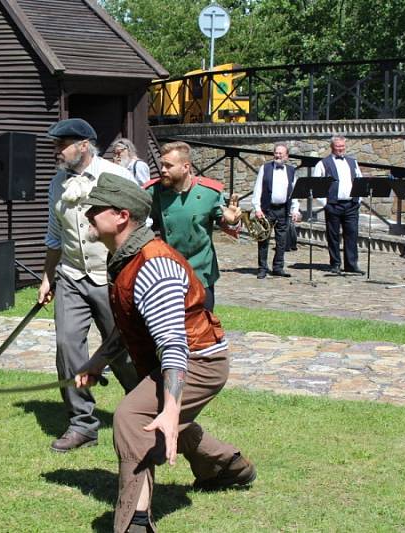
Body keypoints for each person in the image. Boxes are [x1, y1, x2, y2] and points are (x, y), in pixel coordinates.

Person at [77, 173, 255, 533]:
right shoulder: (128, 257)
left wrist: (171, 409)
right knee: (158, 420)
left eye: (96, 209)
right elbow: (131, 322)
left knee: (132, 417)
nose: (88, 216)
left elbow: (175, 344)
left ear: (122, 216)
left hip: (199, 362)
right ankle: (229, 467)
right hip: (181, 358)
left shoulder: (153, 266)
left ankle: (135, 522)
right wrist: (98, 360)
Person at [38, 118, 140, 453]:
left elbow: (142, 224)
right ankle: (82, 424)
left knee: (123, 351)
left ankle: (145, 410)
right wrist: (48, 276)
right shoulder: (57, 183)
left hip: (110, 275)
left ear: (84, 145)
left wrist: (130, 273)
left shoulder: (116, 176)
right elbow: (55, 235)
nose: (56, 150)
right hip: (71, 275)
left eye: (62, 144)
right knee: (67, 346)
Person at [146, 141, 241, 310]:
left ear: (185, 167)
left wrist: (233, 220)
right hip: (169, 271)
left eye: (168, 166)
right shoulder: (154, 192)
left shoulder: (208, 192)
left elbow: (226, 222)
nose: (163, 170)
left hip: (201, 272)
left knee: (203, 330)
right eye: (162, 165)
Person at [313, 136, 364, 275]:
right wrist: (326, 204)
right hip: (333, 205)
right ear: (332, 147)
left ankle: (351, 265)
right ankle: (335, 264)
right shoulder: (323, 164)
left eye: (342, 146)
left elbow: (360, 180)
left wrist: (358, 200)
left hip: (351, 205)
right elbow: (316, 188)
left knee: (352, 235)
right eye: (338, 146)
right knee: (333, 236)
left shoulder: (352, 162)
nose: (341, 149)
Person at [250, 142, 301, 278]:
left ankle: (278, 267)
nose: (277, 156)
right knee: (263, 239)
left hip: (283, 210)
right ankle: (262, 268)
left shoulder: (291, 170)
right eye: (276, 153)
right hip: (267, 208)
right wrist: (257, 208)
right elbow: (258, 188)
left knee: (282, 240)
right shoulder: (265, 168)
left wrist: (295, 209)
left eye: (280, 154)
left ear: (286, 156)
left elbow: (294, 192)